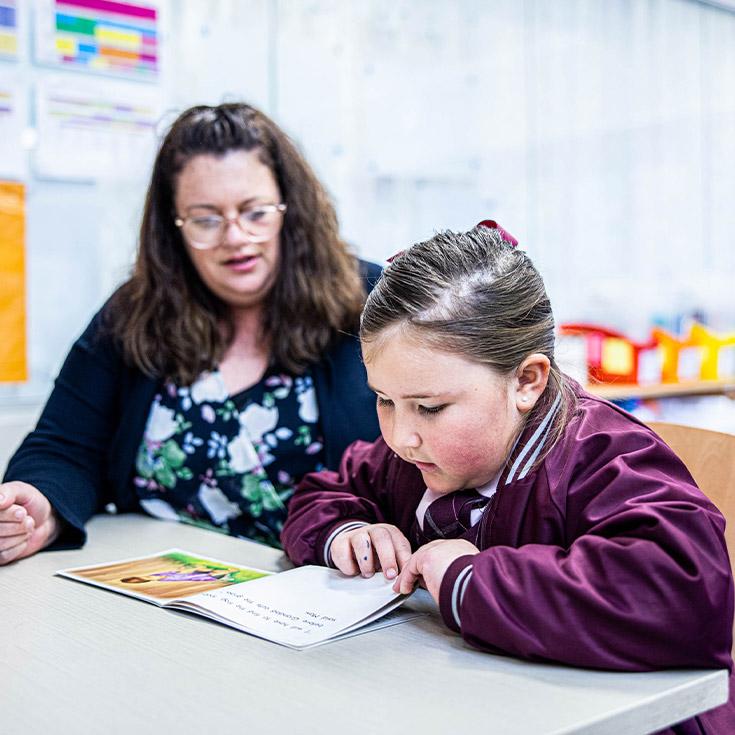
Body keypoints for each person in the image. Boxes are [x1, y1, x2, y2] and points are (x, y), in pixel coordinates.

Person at [282, 224, 735, 733]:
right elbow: (321, 493)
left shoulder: (605, 456)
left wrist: (472, 578)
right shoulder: (413, 457)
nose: (401, 436)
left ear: (525, 381)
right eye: (384, 400)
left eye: (429, 407)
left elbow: (681, 595)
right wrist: (350, 533)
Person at [0, 102, 381, 563]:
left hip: (317, 594)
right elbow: (64, 446)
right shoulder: (134, 313)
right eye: (205, 219)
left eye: (255, 212)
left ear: (290, 210)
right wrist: (41, 504)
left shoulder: (372, 305)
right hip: (159, 590)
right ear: (173, 228)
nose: (235, 236)